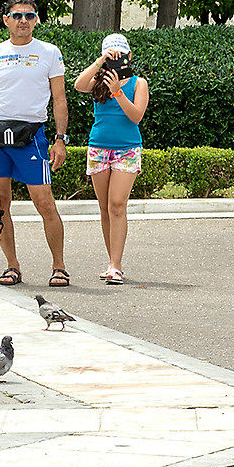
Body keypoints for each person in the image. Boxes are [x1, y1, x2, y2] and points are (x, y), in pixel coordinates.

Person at [0, 0, 70, 287]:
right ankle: (12, 266)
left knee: (45, 203)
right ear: (6, 20)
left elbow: (60, 100)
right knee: (1, 205)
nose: (23, 21)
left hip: (32, 137)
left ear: (36, 20)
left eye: (28, 16)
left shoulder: (49, 52)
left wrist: (60, 139)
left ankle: (59, 267)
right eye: (17, 16)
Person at [72, 32, 149, 283]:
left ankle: (116, 265)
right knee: (105, 208)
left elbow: (136, 116)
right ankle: (111, 262)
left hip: (127, 149)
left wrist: (118, 92)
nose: (117, 59)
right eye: (111, 55)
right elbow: (78, 85)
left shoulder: (139, 83)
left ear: (129, 55)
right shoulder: (98, 79)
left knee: (117, 204)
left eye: (120, 54)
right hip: (99, 148)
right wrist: (99, 62)